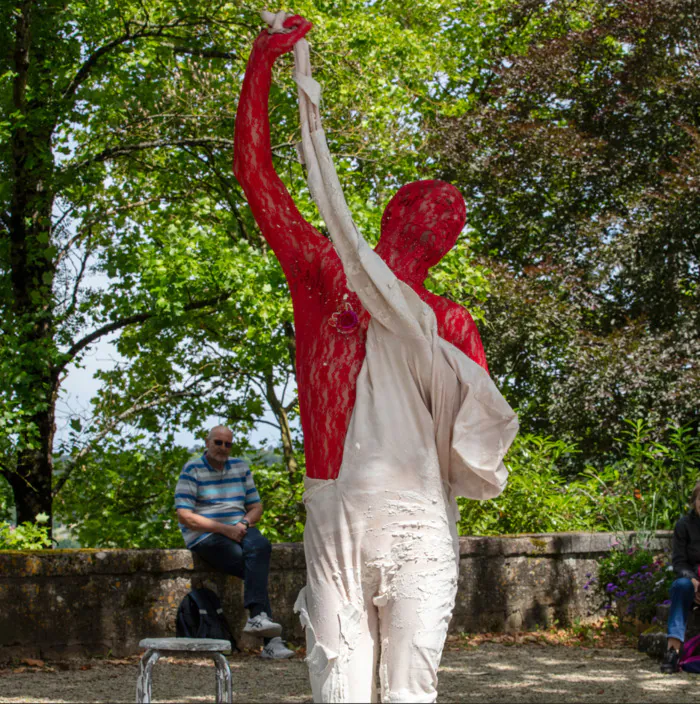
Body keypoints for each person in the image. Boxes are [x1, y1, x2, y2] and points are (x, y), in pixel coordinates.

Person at [233, 14, 518, 702]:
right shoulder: (353, 282)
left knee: (385, 690)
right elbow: (478, 445)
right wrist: (265, 62)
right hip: (369, 513)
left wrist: (264, 64)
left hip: (387, 513)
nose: (435, 209)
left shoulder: (436, 318)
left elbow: (255, 171)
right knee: (358, 688)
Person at [175, 425, 295, 660]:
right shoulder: (192, 469)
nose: (222, 448)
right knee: (251, 566)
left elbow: (256, 507)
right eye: (218, 442)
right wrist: (225, 530)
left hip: (238, 527)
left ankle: (258, 621)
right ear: (207, 443)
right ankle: (270, 639)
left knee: (261, 547)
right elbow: (185, 516)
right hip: (206, 535)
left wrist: (243, 523)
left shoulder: (240, 467)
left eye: (227, 444)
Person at [660, 480, 700, 674]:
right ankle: (672, 651)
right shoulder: (683, 525)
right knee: (681, 586)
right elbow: (679, 562)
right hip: (692, 581)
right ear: (694, 501)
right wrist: (694, 582)